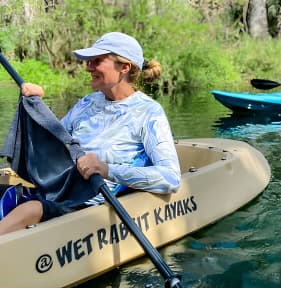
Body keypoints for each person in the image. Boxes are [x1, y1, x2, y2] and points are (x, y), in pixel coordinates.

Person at [0, 32, 181, 235]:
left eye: (97, 61)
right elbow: (54, 146)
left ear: (124, 67)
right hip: (61, 193)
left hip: (92, 207)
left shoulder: (149, 113)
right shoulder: (86, 103)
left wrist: (106, 169)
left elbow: (170, 177)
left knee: (31, 210)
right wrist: (37, 107)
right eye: (89, 61)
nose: (88, 67)